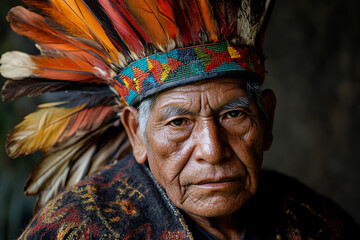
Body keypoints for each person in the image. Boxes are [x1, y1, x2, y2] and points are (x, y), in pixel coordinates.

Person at [0, 0, 358, 239]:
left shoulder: (316, 221)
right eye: (178, 123)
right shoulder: (79, 230)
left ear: (267, 119)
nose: (212, 151)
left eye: (234, 114)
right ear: (136, 133)